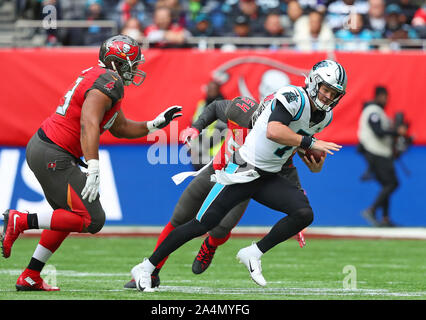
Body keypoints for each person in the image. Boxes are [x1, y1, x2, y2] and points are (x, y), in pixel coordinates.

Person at [130, 60, 347, 292]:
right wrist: (195, 127)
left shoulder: (323, 117)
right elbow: (274, 130)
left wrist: (315, 164)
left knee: (303, 213)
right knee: (199, 224)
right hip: (240, 169)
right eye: (326, 89)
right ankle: (147, 267)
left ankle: (253, 253)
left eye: (334, 93)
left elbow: (292, 161)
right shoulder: (287, 99)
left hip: (267, 175)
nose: (328, 97)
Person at [0, 35, 182, 291]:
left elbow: (118, 127)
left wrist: (154, 124)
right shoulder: (109, 81)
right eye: (133, 63)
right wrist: (94, 165)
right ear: (117, 63)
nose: (136, 69)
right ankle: (20, 221)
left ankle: (30, 275)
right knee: (92, 219)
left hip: (46, 149)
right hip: (55, 153)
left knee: (67, 216)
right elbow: (89, 122)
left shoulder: (102, 77)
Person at [124, 96, 307, 289]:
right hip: (216, 170)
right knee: (180, 217)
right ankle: (152, 273)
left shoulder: (279, 137)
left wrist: (298, 207)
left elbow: (287, 168)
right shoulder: (242, 110)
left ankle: (211, 244)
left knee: (220, 229)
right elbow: (216, 107)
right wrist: (196, 127)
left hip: (241, 181)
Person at [358, 86, 407, 227]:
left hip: (378, 153)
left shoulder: (377, 112)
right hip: (376, 152)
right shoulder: (373, 111)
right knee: (392, 183)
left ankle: (385, 218)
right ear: (380, 96)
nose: (386, 101)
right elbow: (378, 132)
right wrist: (396, 132)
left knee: (387, 184)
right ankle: (371, 210)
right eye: (385, 97)